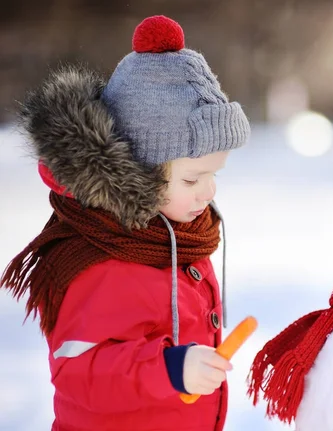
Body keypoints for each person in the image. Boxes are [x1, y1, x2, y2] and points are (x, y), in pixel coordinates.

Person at [1, 15, 250, 431]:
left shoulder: (175, 235)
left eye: (214, 175)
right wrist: (170, 368)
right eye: (192, 178)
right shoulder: (103, 258)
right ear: (143, 170)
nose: (209, 192)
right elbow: (79, 372)